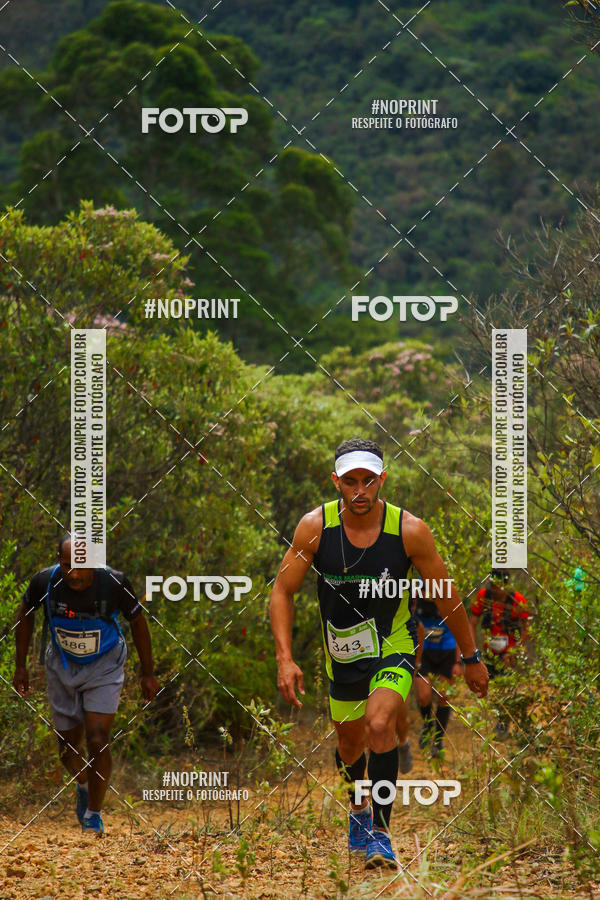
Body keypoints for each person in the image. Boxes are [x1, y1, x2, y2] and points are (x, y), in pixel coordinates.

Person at [270, 438, 488, 868]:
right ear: (336, 482)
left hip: (395, 645)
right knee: (349, 745)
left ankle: (381, 834)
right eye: (350, 481)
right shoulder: (314, 528)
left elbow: (446, 595)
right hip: (343, 654)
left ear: (382, 479)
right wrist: (284, 657)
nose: (359, 490)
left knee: (381, 723)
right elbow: (282, 589)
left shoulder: (410, 531)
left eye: (368, 480)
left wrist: (472, 656)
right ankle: (359, 810)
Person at [13, 535, 159, 835]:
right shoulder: (44, 582)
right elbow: (25, 616)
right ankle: (82, 784)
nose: (74, 574)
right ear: (59, 560)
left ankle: (93, 814)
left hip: (104, 663)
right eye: (67, 566)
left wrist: (148, 673)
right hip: (62, 665)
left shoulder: (113, 583)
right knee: (67, 749)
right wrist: (20, 665)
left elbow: (138, 624)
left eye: (82, 566)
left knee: (97, 737)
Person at [469, 569, 530, 738]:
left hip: (508, 651)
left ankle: (504, 723)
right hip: (489, 650)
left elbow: (527, 630)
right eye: (492, 586)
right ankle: (483, 719)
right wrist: (472, 650)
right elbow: (472, 623)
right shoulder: (483, 596)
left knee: (506, 687)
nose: (495, 590)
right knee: (485, 684)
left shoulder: (517, 600)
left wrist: (513, 651)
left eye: (498, 587)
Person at [413, 591, 462, 758]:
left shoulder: (447, 593)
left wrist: (458, 661)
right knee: (424, 696)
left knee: (443, 696)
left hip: (446, 651)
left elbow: (459, 626)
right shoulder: (414, 592)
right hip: (424, 652)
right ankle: (427, 727)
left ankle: (438, 740)